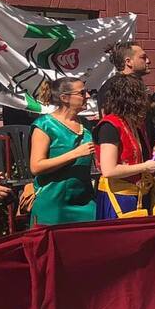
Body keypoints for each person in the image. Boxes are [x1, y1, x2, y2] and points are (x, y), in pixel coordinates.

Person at [94, 74, 155, 219]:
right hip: (120, 199)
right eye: (142, 94)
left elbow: (135, 157)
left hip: (138, 195)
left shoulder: (133, 123)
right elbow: (109, 170)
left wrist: (153, 152)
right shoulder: (110, 125)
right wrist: (144, 167)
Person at [28, 77, 96, 225]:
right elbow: (36, 166)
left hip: (84, 202)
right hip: (53, 204)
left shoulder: (86, 125)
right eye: (82, 93)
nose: (88, 96)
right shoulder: (44, 125)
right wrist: (75, 154)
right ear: (65, 98)